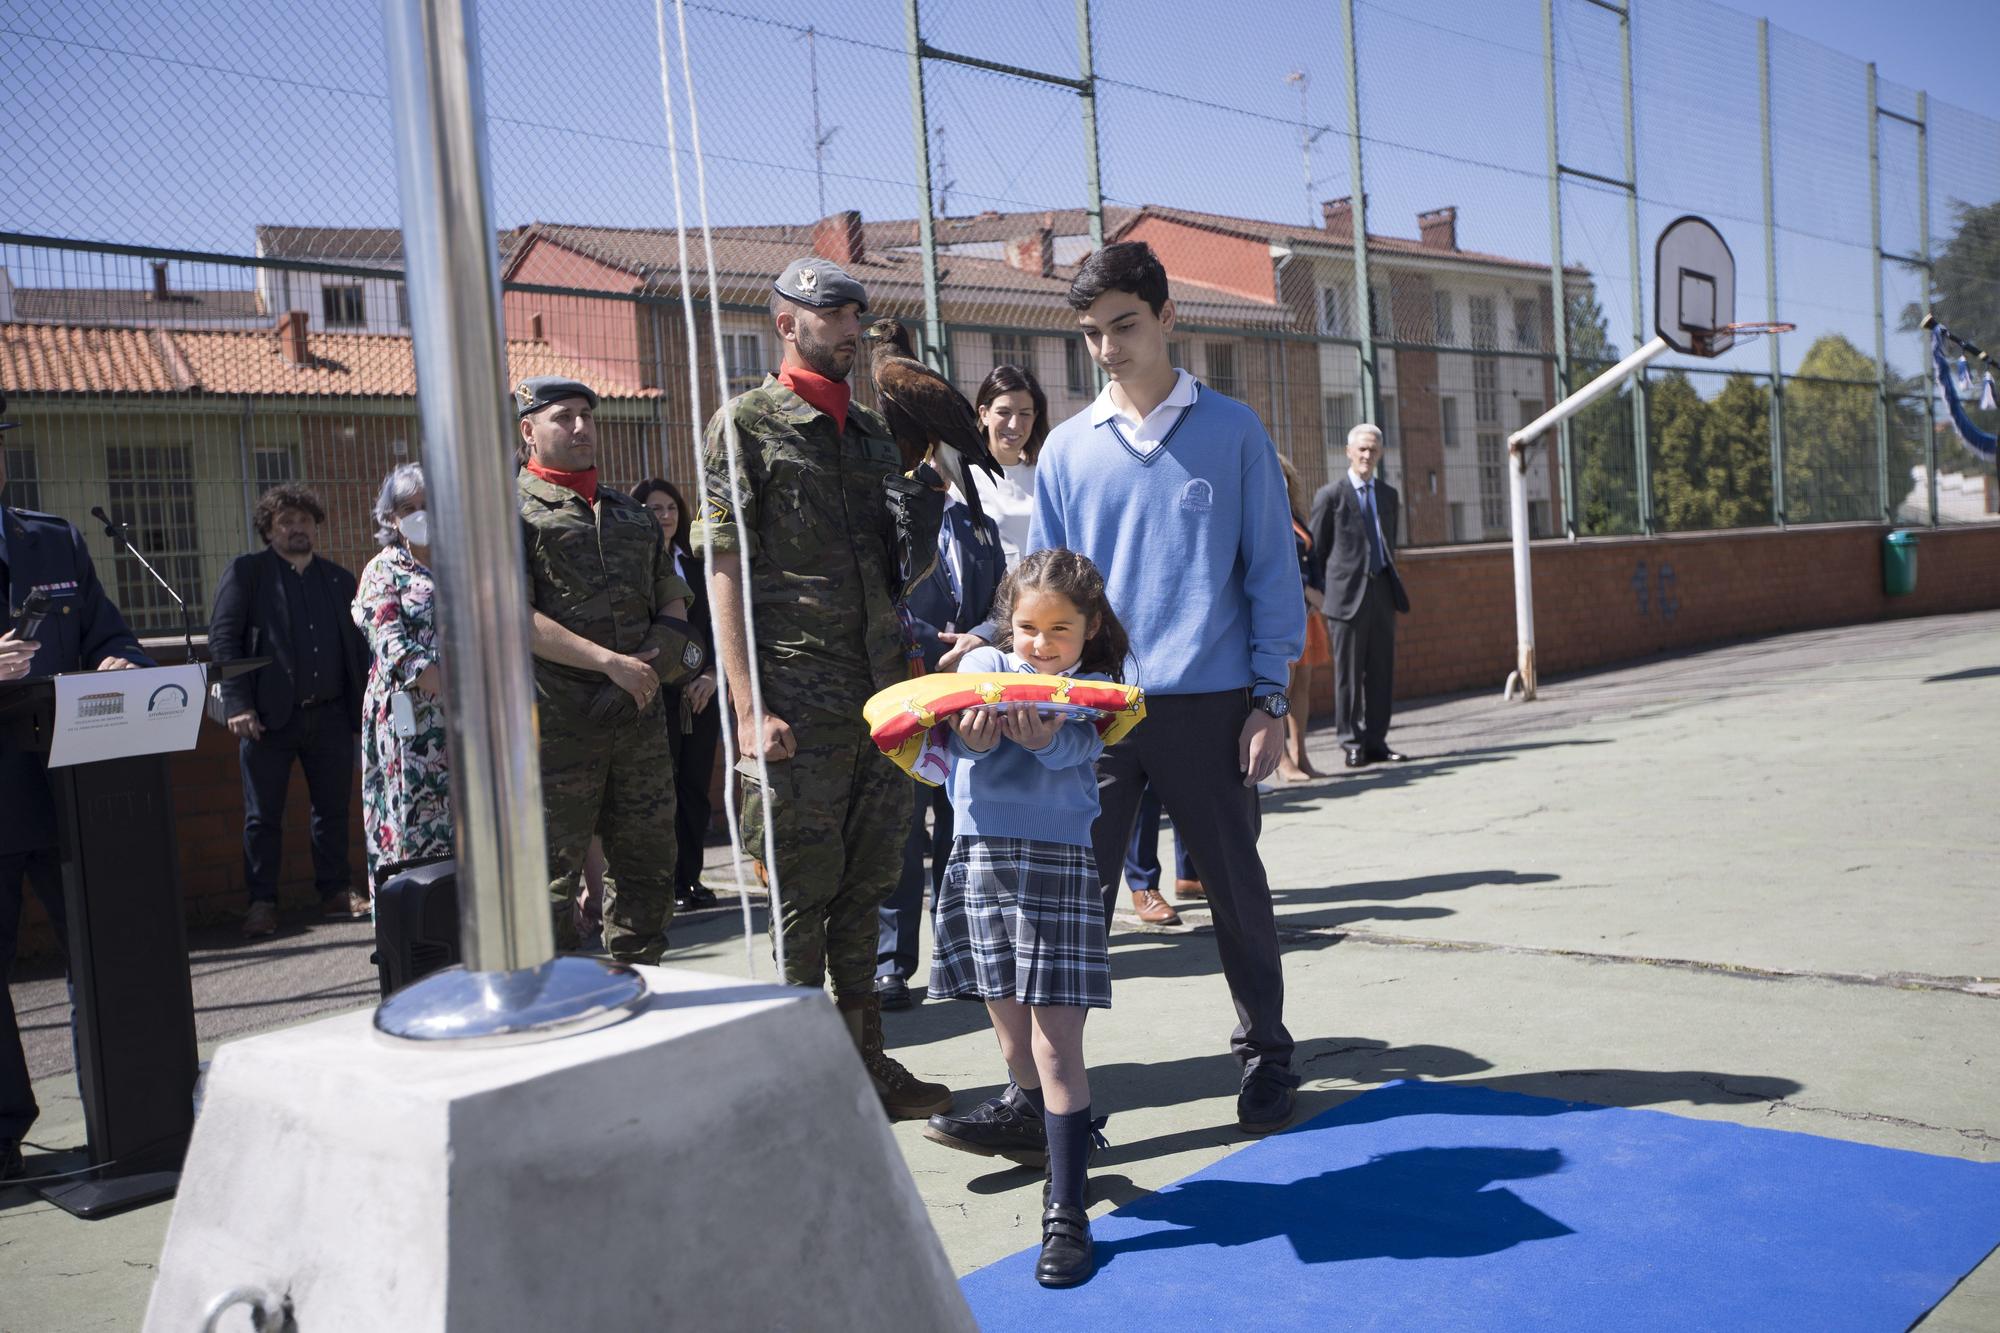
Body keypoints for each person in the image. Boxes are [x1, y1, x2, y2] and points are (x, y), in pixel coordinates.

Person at [948, 241, 1307, 1134]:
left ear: (1167, 317)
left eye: (1125, 325)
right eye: (1092, 333)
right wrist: (995, 648)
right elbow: (1047, 588)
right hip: (1090, 714)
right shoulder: (1068, 449)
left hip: (1212, 705)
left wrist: (1269, 697)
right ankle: (1038, 1098)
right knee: (1064, 902)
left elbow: (1270, 570)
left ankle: (1267, 1052)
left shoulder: (1233, 431)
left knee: (1234, 891)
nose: (1107, 346)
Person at [691, 256, 954, 1120]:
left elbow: (897, 575)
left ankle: (867, 1065)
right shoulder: (746, 427)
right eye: (833, 316)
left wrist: (922, 528)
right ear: (787, 324)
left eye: (859, 317)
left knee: (866, 884)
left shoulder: (877, 435)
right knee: (802, 891)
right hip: (795, 702)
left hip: (878, 694)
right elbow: (722, 569)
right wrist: (745, 704)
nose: (852, 330)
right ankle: (800, 1080)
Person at [924, 549, 1126, 1288]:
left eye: (1059, 630)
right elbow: (930, 748)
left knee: (1054, 1046)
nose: (1040, 644)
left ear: (1088, 628)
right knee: (1013, 1043)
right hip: (980, 858)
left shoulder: (1094, 690)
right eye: (1027, 627)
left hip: (1056, 866)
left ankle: (1066, 1207)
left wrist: (1042, 739)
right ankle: (1058, 1135)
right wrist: (964, 739)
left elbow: (1075, 740)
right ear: (1007, 621)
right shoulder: (979, 672)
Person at [1, 391, 151, 1179]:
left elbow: (110, 631)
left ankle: (123, 1114)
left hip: (72, 793)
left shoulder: (50, 542)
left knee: (104, 956)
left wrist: (121, 660)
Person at [516, 376, 693, 966]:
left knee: (646, 862)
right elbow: (513, 616)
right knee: (548, 874)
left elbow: (672, 599)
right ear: (528, 431)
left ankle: (638, 982)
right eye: (563, 416)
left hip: (636, 719)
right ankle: (555, 1003)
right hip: (555, 726)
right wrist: (608, 665)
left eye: (588, 415)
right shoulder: (509, 514)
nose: (581, 426)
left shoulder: (631, 515)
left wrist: (648, 664)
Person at [874, 435, 1007, 1011]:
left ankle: (964, 957)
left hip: (970, 693)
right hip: (909, 688)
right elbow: (881, 598)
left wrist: (979, 639)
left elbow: (1006, 602)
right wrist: (934, 645)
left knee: (964, 828)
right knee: (902, 831)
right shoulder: (893, 516)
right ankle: (890, 965)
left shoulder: (980, 524)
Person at [209, 484, 370, 938]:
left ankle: (336, 891)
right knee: (263, 816)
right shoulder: (247, 574)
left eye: (304, 521)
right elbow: (224, 642)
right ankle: (261, 902)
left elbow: (358, 650)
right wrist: (237, 705)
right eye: (286, 522)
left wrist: (363, 710)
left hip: (332, 716)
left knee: (333, 809)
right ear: (268, 529)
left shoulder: (339, 580)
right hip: (266, 720)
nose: (297, 529)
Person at [352, 463, 451, 892]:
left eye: (428, 505)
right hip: (410, 722)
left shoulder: (457, 563)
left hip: (464, 719)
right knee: (413, 825)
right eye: (409, 507)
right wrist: (453, 688)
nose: (420, 514)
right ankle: (412, 935)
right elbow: (391, 644)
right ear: (391, 518)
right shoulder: (382, 570)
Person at [633, 478, 721, 913]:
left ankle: (691, 879)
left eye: (670, 507)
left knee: (694, 789)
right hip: (654, 696)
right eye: (653, 508)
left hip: (701, 696)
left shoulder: (698, 563)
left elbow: (720, 629)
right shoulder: (633, 564)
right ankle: (662, 883)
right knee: (658, 790)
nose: (664, 515)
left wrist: (710, 675)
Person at [1308, 423, 1410, 769]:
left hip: (1381, 592)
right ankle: (1351, 742)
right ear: (1349, 452)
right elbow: (1317, 552)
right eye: (1362, 449)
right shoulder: (1331, 496)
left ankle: (1377, 741)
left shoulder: (1388, 495)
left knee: (1382, 672)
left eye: (1374, 450)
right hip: (1345, 598)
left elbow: (1388, 544)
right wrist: (1323, 598)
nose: (1367, 455)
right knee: (1348, 675)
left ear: (1380, 454)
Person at [1277, 455, 1331, 782]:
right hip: (1284, 613)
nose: (1280, 481)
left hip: (1307, 614)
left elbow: (1314, 559)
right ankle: (1281, 760)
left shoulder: (1296, 517)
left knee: (1304, 683)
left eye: (1283, 475)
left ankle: (1301, 756)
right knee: (1282, 686)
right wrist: (1304, 590)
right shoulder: (1263, 515)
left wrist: (1318, 592)